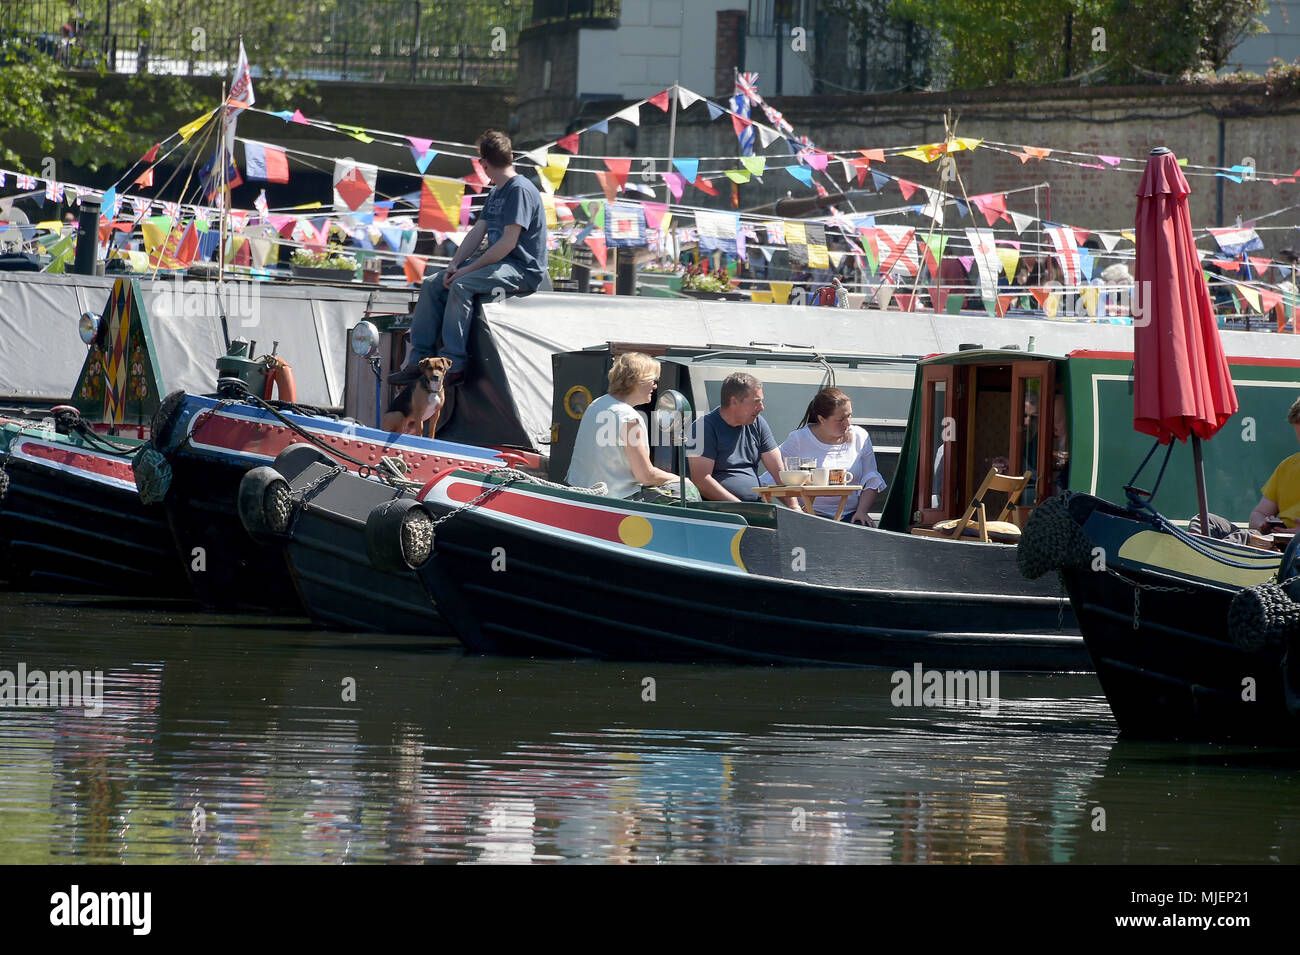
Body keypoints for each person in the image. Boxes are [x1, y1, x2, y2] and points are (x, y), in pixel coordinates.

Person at [390, 129, 547, 387]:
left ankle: (454, 362)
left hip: (522, 269)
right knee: (432, 283)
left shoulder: (519, 190)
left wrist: (465, 272)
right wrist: (454, 263)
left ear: (484, 163)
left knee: (461, 286)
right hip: (498, 264)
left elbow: (508, 243)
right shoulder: (497, 191)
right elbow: (478, 231)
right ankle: (419, 360)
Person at [566, 353, 681, 499]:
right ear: (639, 380)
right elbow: (645, 475)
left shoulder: (596, 404)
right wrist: (681, 481)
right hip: (614, 504)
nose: (655, 386)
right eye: (653, 380)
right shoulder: (629, 419)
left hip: (579, 497)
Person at [773, 387, 887, 525]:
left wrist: (862, 511)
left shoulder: (860, 436)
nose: (848, 423)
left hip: (851, 516)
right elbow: (776, 478)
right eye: (840, 420)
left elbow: (871, 479)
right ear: (821, 419)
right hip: (811, 517)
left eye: (849, 415)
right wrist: (796, 508)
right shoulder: (799, 439)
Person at [687, 372, 797, 508]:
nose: (762, 407)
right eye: (756, 401)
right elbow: (701, 481)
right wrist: (741, 508)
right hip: (721, 514)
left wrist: (795, 507)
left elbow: (780, 473)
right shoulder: (700, 428)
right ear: (734, 401)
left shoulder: (758, 423)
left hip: (756, 508)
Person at [1248, 397, 1300, 533]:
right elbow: (1258, 514)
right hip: (1274, 542)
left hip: (1294, 549)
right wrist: (1263, 525)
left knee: (1239, 538)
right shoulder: (1287, 466)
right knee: (1206, 521)